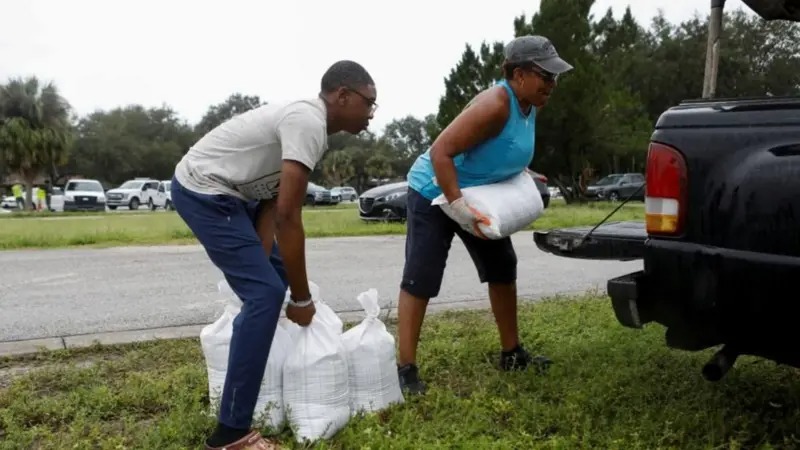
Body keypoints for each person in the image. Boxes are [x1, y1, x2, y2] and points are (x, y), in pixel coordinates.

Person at [170, 60, 377, 450]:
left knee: (269, 280)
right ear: (343, 95)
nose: (370, 113)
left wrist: (269, 270)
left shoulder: (310, 128)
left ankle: (261, 372)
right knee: (265, 294)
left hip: (236, 197)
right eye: (369, 103)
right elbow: (288, 216)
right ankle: (231, 434)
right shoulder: (307, 121)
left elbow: (268, 206)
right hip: (204, 190)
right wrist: (301, 299)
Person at [396, 35, 573, 394]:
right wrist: (457, 207)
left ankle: (512, 353)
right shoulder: (496, 103)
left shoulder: (530, 106)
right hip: (433, 192)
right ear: (519, 75)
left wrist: (522, 172)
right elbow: (440, 152)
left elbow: (499, 150)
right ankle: (406, 369)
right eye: (545, 76)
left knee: (502, 266)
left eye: (555, 77)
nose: (552, 85)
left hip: (478, 194)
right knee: (422, 276)